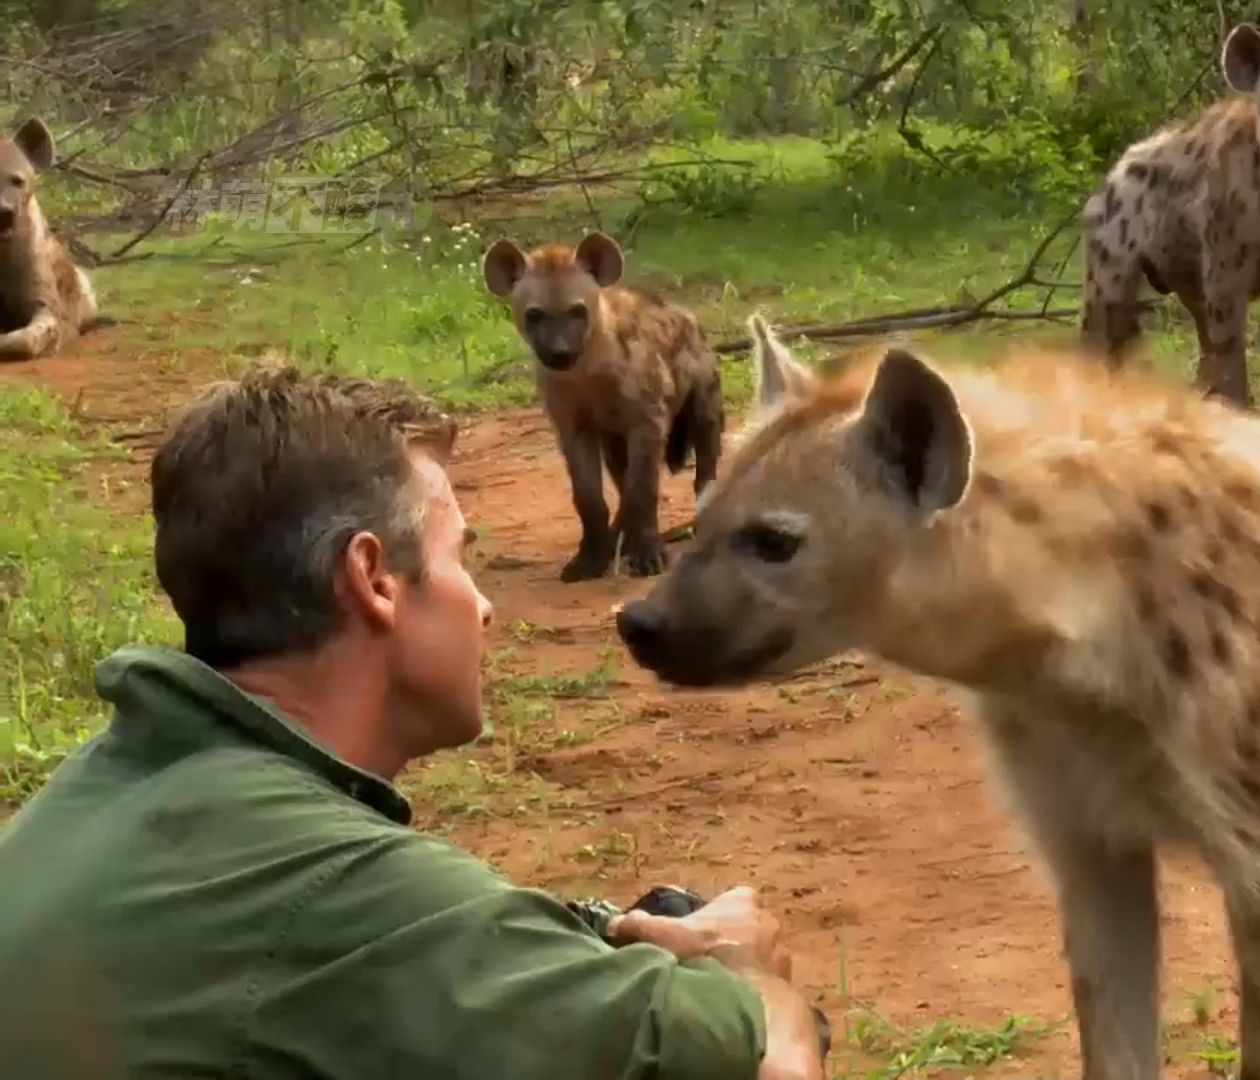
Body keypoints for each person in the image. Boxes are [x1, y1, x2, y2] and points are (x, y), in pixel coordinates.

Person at [0, 365, 826, 1080]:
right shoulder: (334, 892)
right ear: (373, 579)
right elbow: (769, 1068)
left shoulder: (106, 796)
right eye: (458, 558)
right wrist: (753, 977)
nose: (486, 607)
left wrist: (577, 936)